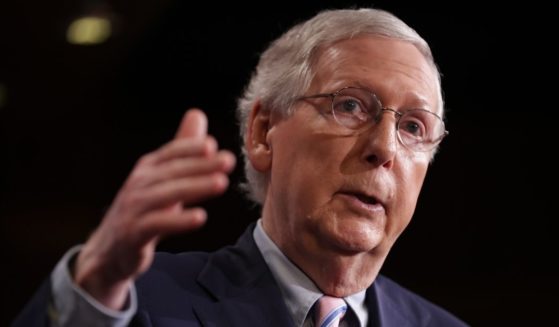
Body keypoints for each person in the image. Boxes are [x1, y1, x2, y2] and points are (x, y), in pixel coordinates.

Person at [13, 7, 467, 327]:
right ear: (263, 132)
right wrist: (95, 281)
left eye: (413, 126)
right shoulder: (132, 303)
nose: (384, 147)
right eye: (349, 105)